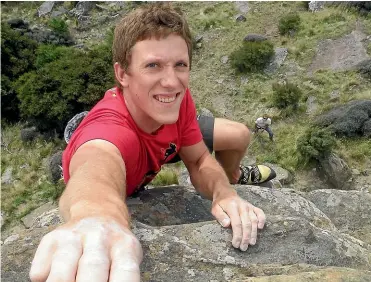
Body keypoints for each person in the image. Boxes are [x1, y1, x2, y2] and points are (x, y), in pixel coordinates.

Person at [29, 4, 276, 282]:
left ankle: (236, 175)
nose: (171, 81)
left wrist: (224, 193)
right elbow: (97, 168)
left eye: (180, 65)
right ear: (122, 74)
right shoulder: (110, 130)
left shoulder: (174, 99)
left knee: (239, 134)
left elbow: (196, 159)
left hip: (167, 141)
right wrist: (97, 218)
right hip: (133, 154)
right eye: (153, 65)